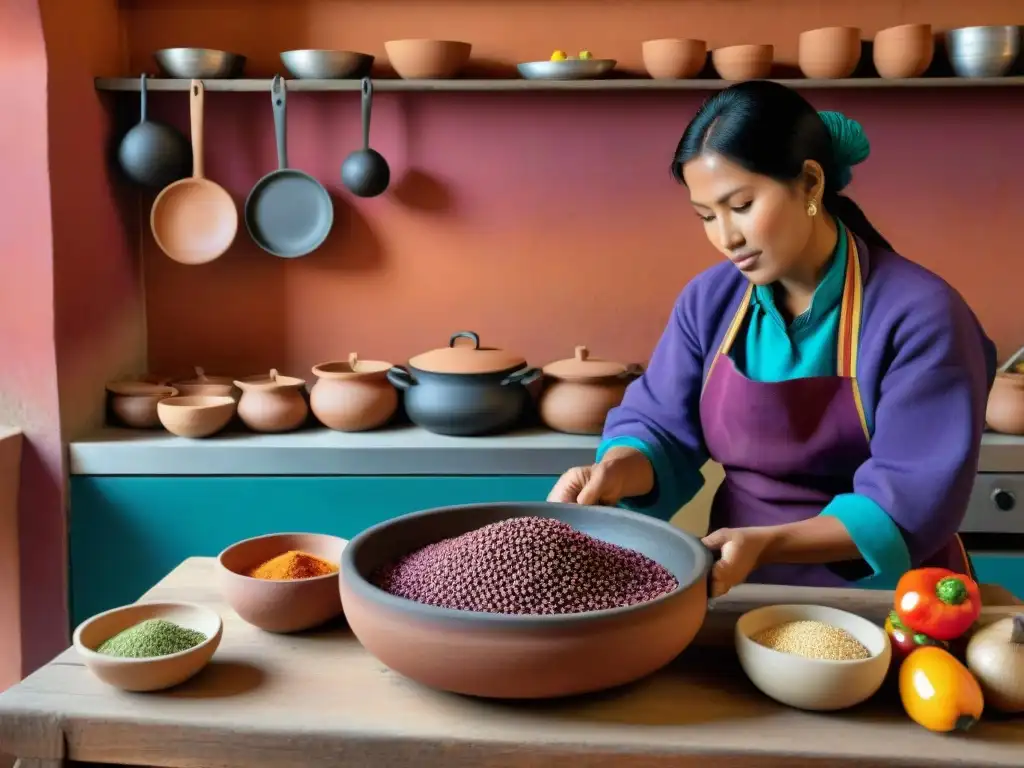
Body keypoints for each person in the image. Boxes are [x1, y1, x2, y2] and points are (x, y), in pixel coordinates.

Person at [548, 80, 996, 598]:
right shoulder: (709, 302)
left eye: (740, 205)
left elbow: (911, 499)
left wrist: (767, 543)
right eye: (706, 217)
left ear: (809, 182)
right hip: (737, 585)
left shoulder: (921, 315)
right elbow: (660, 428)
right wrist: (614, 472)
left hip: (893, 600)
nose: (726, 238)